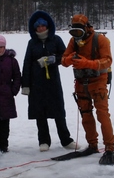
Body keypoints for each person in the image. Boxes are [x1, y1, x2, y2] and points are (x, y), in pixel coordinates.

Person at [61, 14, 114, 165]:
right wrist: (70, 59)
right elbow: (63, 60)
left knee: (102, 114)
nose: (76, 36)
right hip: (81, 83)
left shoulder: (100, 40)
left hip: (98, 82)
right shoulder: (74, 41)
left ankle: (110, 148)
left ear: (87, 28)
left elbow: (108, 61)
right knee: (86, 115)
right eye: (74, 32)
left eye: (79, 32)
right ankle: (92, 144)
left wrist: (87, 63)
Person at [21, 10, 76, 152]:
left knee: (58, 112)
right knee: (40, 113)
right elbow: (27, 63)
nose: (41, 28)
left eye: (43, 25)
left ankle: (66, 140)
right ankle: (44, 141)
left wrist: (52, 60)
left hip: (53, 83)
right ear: (34, 28)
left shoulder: (56, 40)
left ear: (48, 26)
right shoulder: (32, 43)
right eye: (38, 26)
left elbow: (65, 56)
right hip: (36, 83)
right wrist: (25, 84)